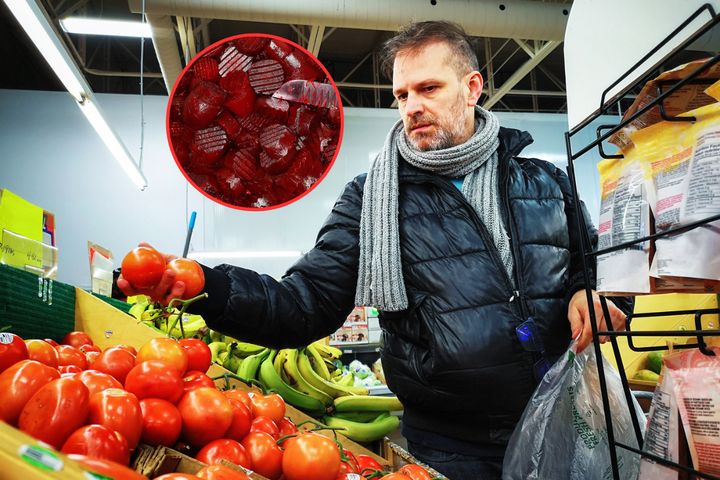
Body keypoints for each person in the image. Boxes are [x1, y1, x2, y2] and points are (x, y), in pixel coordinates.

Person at [119, 21, 631, 480]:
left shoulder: (544, 181)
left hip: (561, 417)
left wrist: (597, 294)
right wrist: (209, 286)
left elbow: (602, 265)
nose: (412, 107)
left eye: (428, 88)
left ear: (472, 88)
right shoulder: (371, 199)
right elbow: (303, 305)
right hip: (450, 449)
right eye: (401, 95)